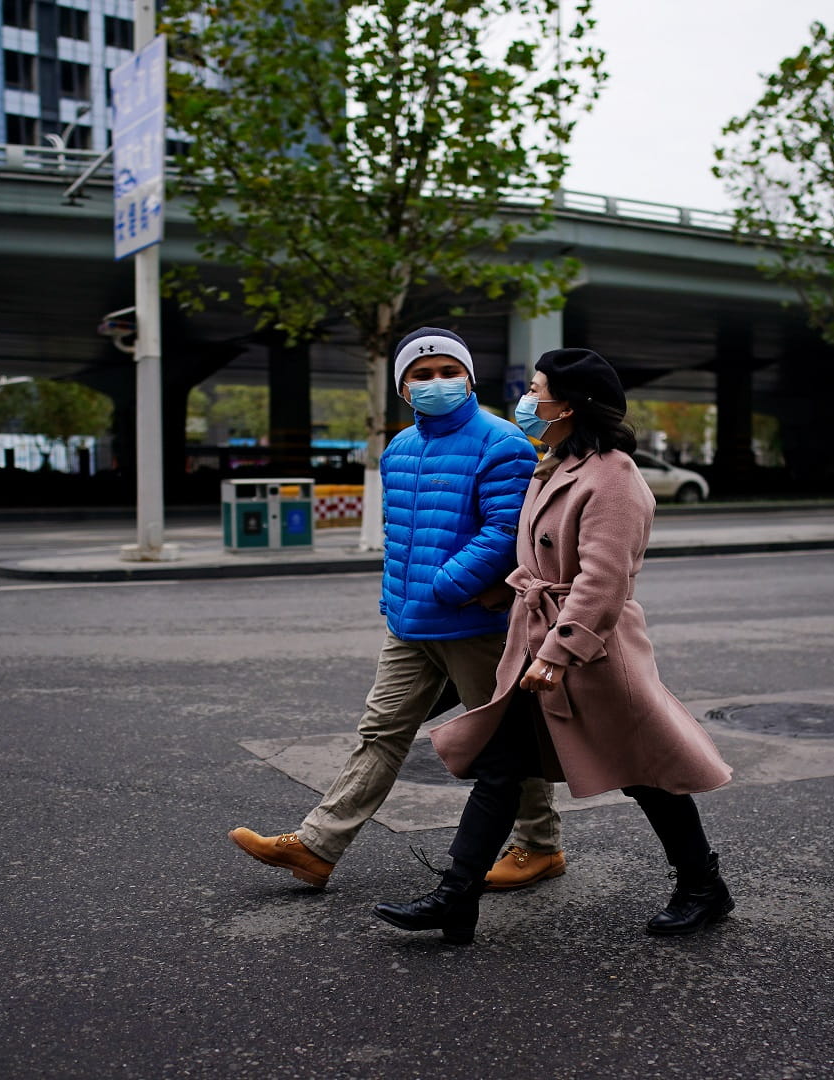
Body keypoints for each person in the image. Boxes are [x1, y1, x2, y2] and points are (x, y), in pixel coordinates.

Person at [372, 348, 735, 944]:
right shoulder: (557, 461)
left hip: (591, 653)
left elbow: (603, 581)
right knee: (500, 768)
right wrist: (500, 595)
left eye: (536, 389)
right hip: (536, 638)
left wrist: (556, 654)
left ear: (566, 405)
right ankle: (455, 897)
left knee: (645, 772)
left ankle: (702, 886)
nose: (526, 398)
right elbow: (535, 552)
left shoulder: (612, 476)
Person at [230, 327, 567, 888]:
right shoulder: (399, 449)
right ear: (404, 389)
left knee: (502, 737)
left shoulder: (501, 442)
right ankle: (317, 846)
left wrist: (444, 586)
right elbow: (398, 536)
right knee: (380, 731)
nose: (438, 383)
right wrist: (398, 599)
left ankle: (540, 845)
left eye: (448, 372)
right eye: (422, 375)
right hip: (408, 624)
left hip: (471, 622)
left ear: (468, 378)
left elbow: (506, 529)